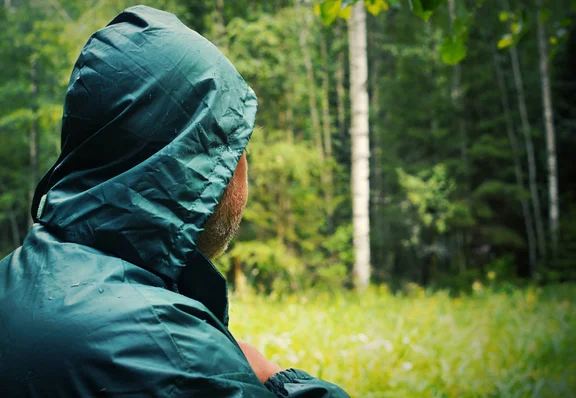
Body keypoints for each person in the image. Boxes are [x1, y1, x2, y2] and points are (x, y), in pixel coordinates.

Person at [0, 6, 350, 397]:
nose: (244, 168)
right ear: (199, 165)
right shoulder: (173, 354)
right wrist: (274, 377)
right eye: (237, 145)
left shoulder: (10, 282)